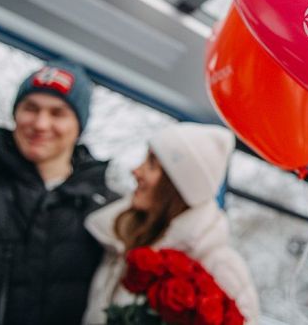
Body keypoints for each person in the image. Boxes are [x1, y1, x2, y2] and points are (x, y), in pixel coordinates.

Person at [0, 60, 119, 325]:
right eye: (31, 108)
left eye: (58, 113)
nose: (40, 123)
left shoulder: (107, 212)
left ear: (79, 127)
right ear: (16, 113)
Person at [83, 122, 259, 324]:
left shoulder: (221, 267)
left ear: (177, 185)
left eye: (151, 164)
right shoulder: (122, 238)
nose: (136, 171)